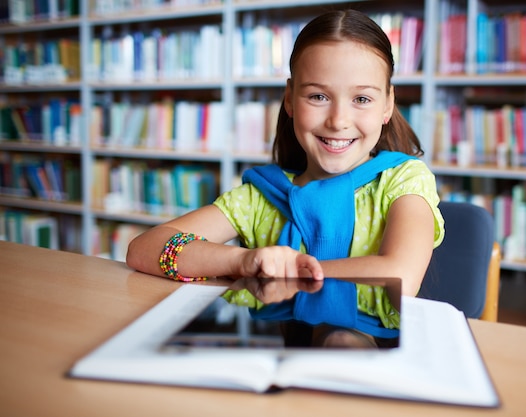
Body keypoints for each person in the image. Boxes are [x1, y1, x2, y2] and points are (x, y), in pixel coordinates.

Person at [126, 9, 444, 343]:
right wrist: (246, 260)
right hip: (269, 353)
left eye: (361, 98)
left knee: (342, 343)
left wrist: (290, 271)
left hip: (379, 360)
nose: (338, 120)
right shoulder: (260, 197)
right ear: (290, 99)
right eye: (318, 96)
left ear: (387, 104)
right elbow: (143, 250)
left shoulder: (403, 180)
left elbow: (401, 277)